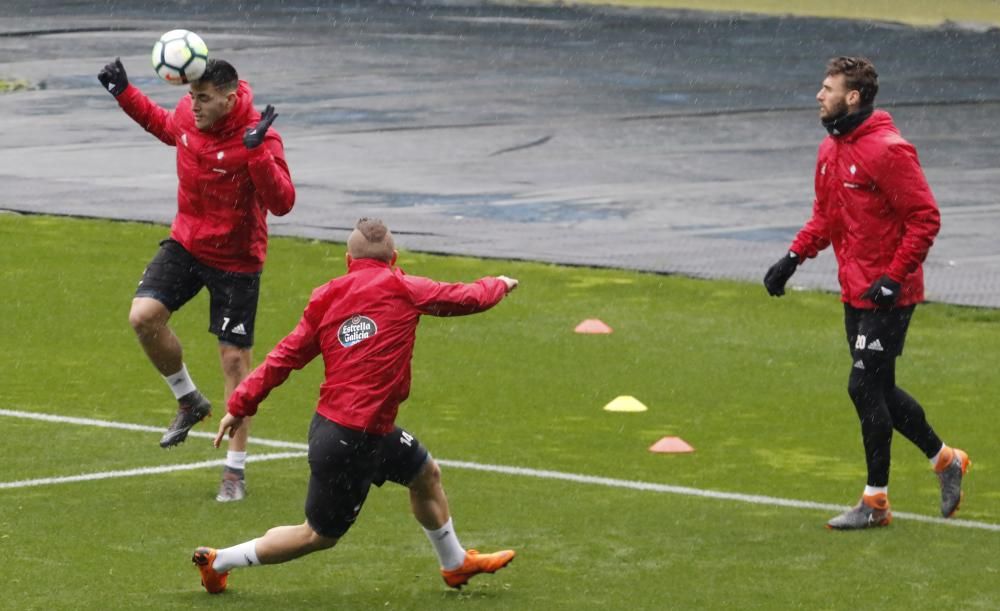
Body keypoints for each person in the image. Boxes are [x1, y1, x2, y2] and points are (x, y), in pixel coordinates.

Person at [191, 218, 518, 594]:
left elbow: (285, 357)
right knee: (316, 536)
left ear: (348, 260)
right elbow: (465, 298)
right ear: (394, 258)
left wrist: (240, 404)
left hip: (360, 431)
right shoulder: (405, 286)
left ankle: (454, 563)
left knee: (425, 474)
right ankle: (220, 561)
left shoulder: (326, 296)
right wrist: (499, 284)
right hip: (351, 441)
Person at [763, 57, 970, 530]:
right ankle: (946, 461)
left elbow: (925, 219)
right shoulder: (830, 150)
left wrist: (894, 277)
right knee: (880, 389)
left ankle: (875, 502)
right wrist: (792, 259)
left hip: (890, 295)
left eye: (827, 87)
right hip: (855, 290)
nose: (819, 95)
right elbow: (825, 218)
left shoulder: (889, 151)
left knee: (862, 386)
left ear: (852, 97)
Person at [98, 57, 296, 502]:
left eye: (203, 98)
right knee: (143, 317)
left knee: (234, 363)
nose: (194, 105)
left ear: (229, 98)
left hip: (238, 260)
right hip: (187, 243)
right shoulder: (190, 114)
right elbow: (166, 126)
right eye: (191, 96)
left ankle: (234, 471)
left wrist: (258, 153)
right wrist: (123, 93)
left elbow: (283, 204)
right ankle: (189, 399)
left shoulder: (260, 137)